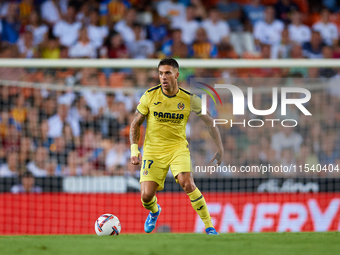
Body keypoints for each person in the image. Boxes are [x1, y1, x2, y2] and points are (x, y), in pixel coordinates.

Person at [130, 58, 223, 235]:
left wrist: (220, 148)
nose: (163, 77)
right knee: (146, 196)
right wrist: (134, 150)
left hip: (178, 148)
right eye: (160, 73)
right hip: (153, 150)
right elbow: (135, 124)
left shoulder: (189, 99)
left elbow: (210, 122)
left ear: (176, 75)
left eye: (167, 73)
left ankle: (209, 226)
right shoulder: (149, 96)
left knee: (187, 183)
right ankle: (155, 211)